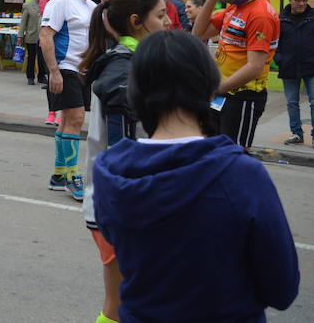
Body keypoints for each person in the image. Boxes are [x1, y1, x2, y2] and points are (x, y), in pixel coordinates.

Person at [92, 30, 300, 323]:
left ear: (136, 91)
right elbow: (282, 290)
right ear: (208, 86)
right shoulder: (241, 174)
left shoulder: (109, 171)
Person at [78, 0, 170, 323]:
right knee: (127, 303)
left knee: (121, 301)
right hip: (122, 205)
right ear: (136, 21)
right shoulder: (124, 68)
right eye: (160, 16)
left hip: (116, 201)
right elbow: (124, 150)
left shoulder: (132, 61)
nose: (167, 23)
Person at [191, 0, 280, 148]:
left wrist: (217, 89)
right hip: (222, 93)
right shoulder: (234, 6)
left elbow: (254, 67)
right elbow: (197, 33)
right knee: (210, 150)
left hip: (243, 97)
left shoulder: (259, 14)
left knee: (234, 156)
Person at [40, 0, 109, 201]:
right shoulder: (60, 2)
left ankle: (59, 175)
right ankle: (72, 177)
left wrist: (106, 3)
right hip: (65, 67)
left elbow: (109, 32)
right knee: (77, 119)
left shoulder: (92, 6)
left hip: (84, 71)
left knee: (67, 121)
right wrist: (54, 72)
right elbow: (45, 36)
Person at [276, 0, 314, 150]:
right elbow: (274, 42)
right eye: (298, 0)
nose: (301, 3)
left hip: (312, 68)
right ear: (290, 0)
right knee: (292, 103)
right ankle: (297, 134)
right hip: (289, 67)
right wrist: (279, 59)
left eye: (304, 0)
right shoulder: (281, 18)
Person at [19, 0, 47, 85]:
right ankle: (30, 76)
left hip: (43, 36)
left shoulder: (46, 4)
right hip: (31, 35)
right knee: (31, 57)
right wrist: (20, 35)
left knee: (42, 58)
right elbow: (23, 22)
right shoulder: (28, 5)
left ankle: (42, 76)